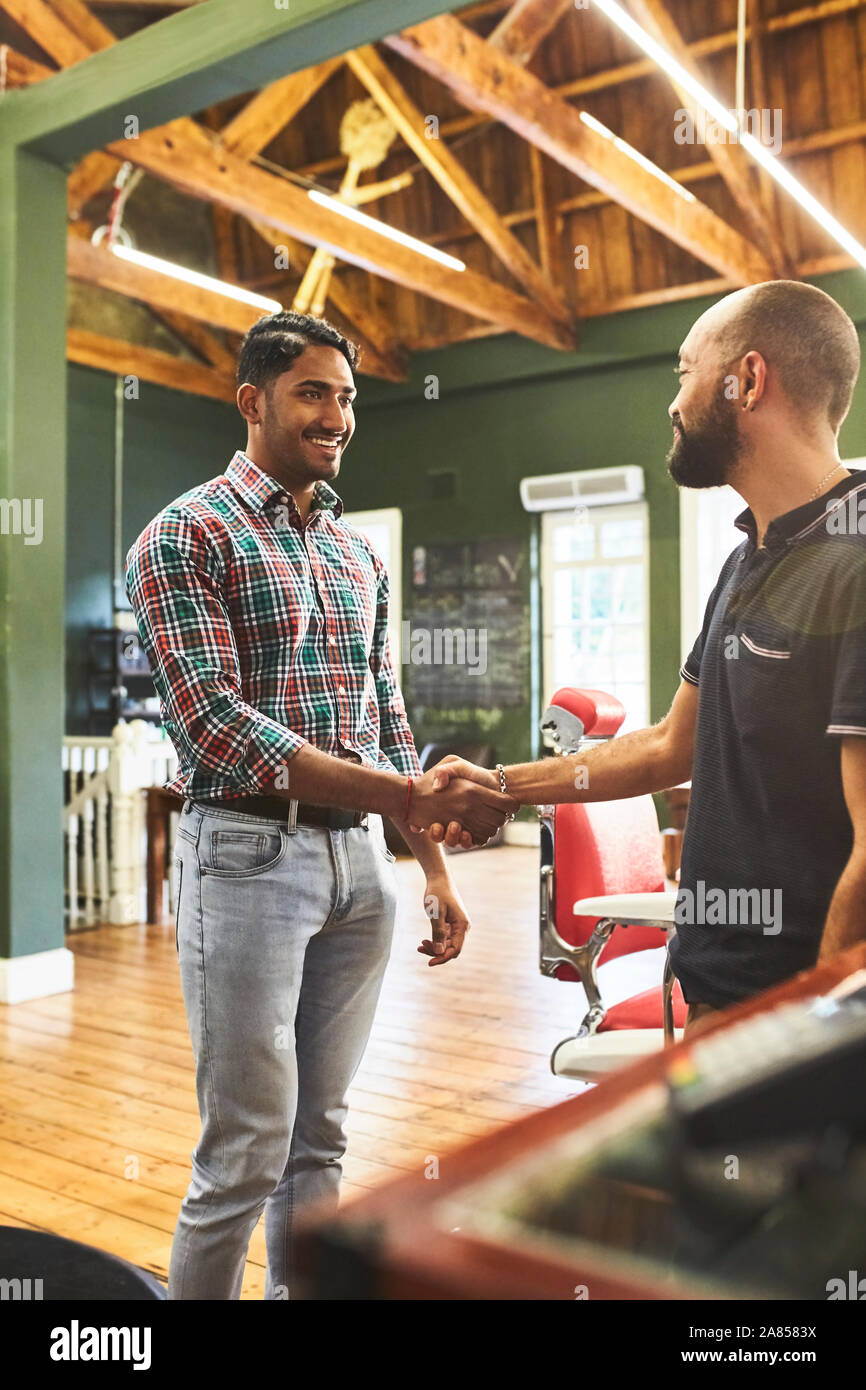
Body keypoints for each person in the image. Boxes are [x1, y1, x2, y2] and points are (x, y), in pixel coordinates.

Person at [125, 310, 517, 1299]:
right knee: (244, 1151)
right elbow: (215, 726)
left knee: (321, 1141)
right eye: (313, 392)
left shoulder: (356, 556)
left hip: (361, 875)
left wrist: (427, 864)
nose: (336, 415)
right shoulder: (183, 535)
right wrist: (401, 791)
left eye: (346, 397)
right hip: (245, 860)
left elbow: (384, 715)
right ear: (252, 400)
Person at [428, 281, 866, 1037]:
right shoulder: (747, 559)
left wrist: (816, 1035)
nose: (673, 402)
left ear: (749, 381)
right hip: (715, 992)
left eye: (685, 371)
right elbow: (672, 745)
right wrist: (501, 784)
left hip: (790, 1015)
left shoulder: (855, 562)